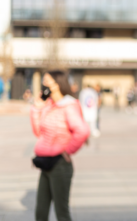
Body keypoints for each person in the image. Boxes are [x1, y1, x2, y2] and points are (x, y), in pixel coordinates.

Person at [30, 70, 90, 221]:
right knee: (40, 212)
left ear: (57, 84)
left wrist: (67, 150)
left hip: (60, 165)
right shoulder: (49, 105)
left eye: (47, 82)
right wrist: (37, 109)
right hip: (45, 163)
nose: (43, 85)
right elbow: (38, 132)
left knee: (61, 213)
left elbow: (82, 131)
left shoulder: (68, 105)